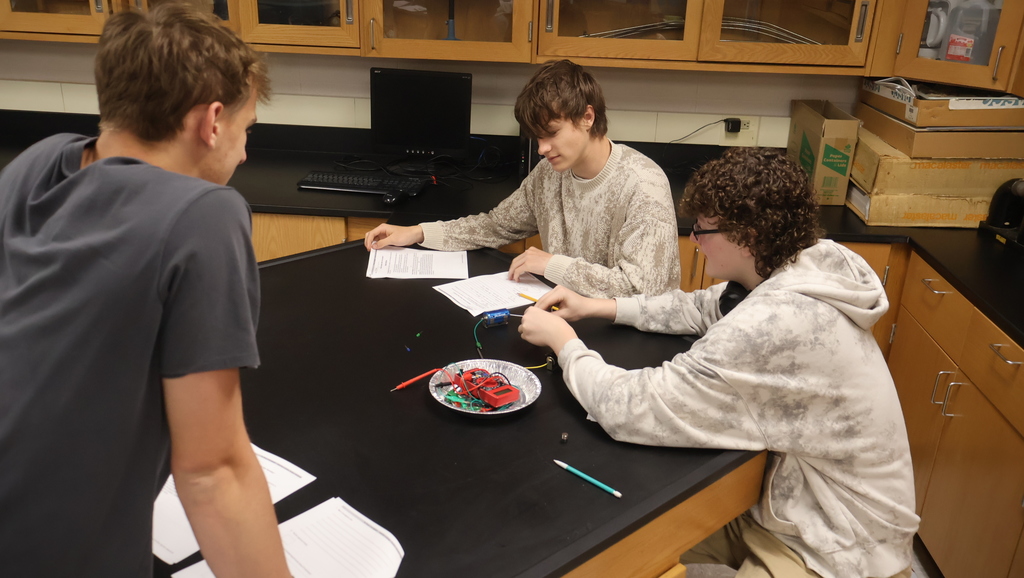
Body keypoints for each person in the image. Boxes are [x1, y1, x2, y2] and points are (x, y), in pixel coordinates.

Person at [518, 147, 919, 578]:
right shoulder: (802, 265)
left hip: (841, 548)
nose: (693, 240)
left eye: (703, 229)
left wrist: (565, 343)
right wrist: (599, 306)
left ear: (746, 236)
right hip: (791, 506)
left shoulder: (776, 323)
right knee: (632, 553)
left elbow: (630, 408)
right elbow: (700, 308)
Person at [0, 4, 290, 577]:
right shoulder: (205, 215)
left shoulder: (36, 163)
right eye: (245, 128)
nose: (245, 150)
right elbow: (213, 472)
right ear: (211, 122)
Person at [363, 59, 680, 298]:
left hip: (627, 343)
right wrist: (418, 233)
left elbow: (644, 290)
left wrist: (551, 264)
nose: (542, 149)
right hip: (567, 322)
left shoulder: (643, 185)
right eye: (537, 137)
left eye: (551, 134)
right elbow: (496, 225)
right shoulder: (549, 174)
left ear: (587, 117)